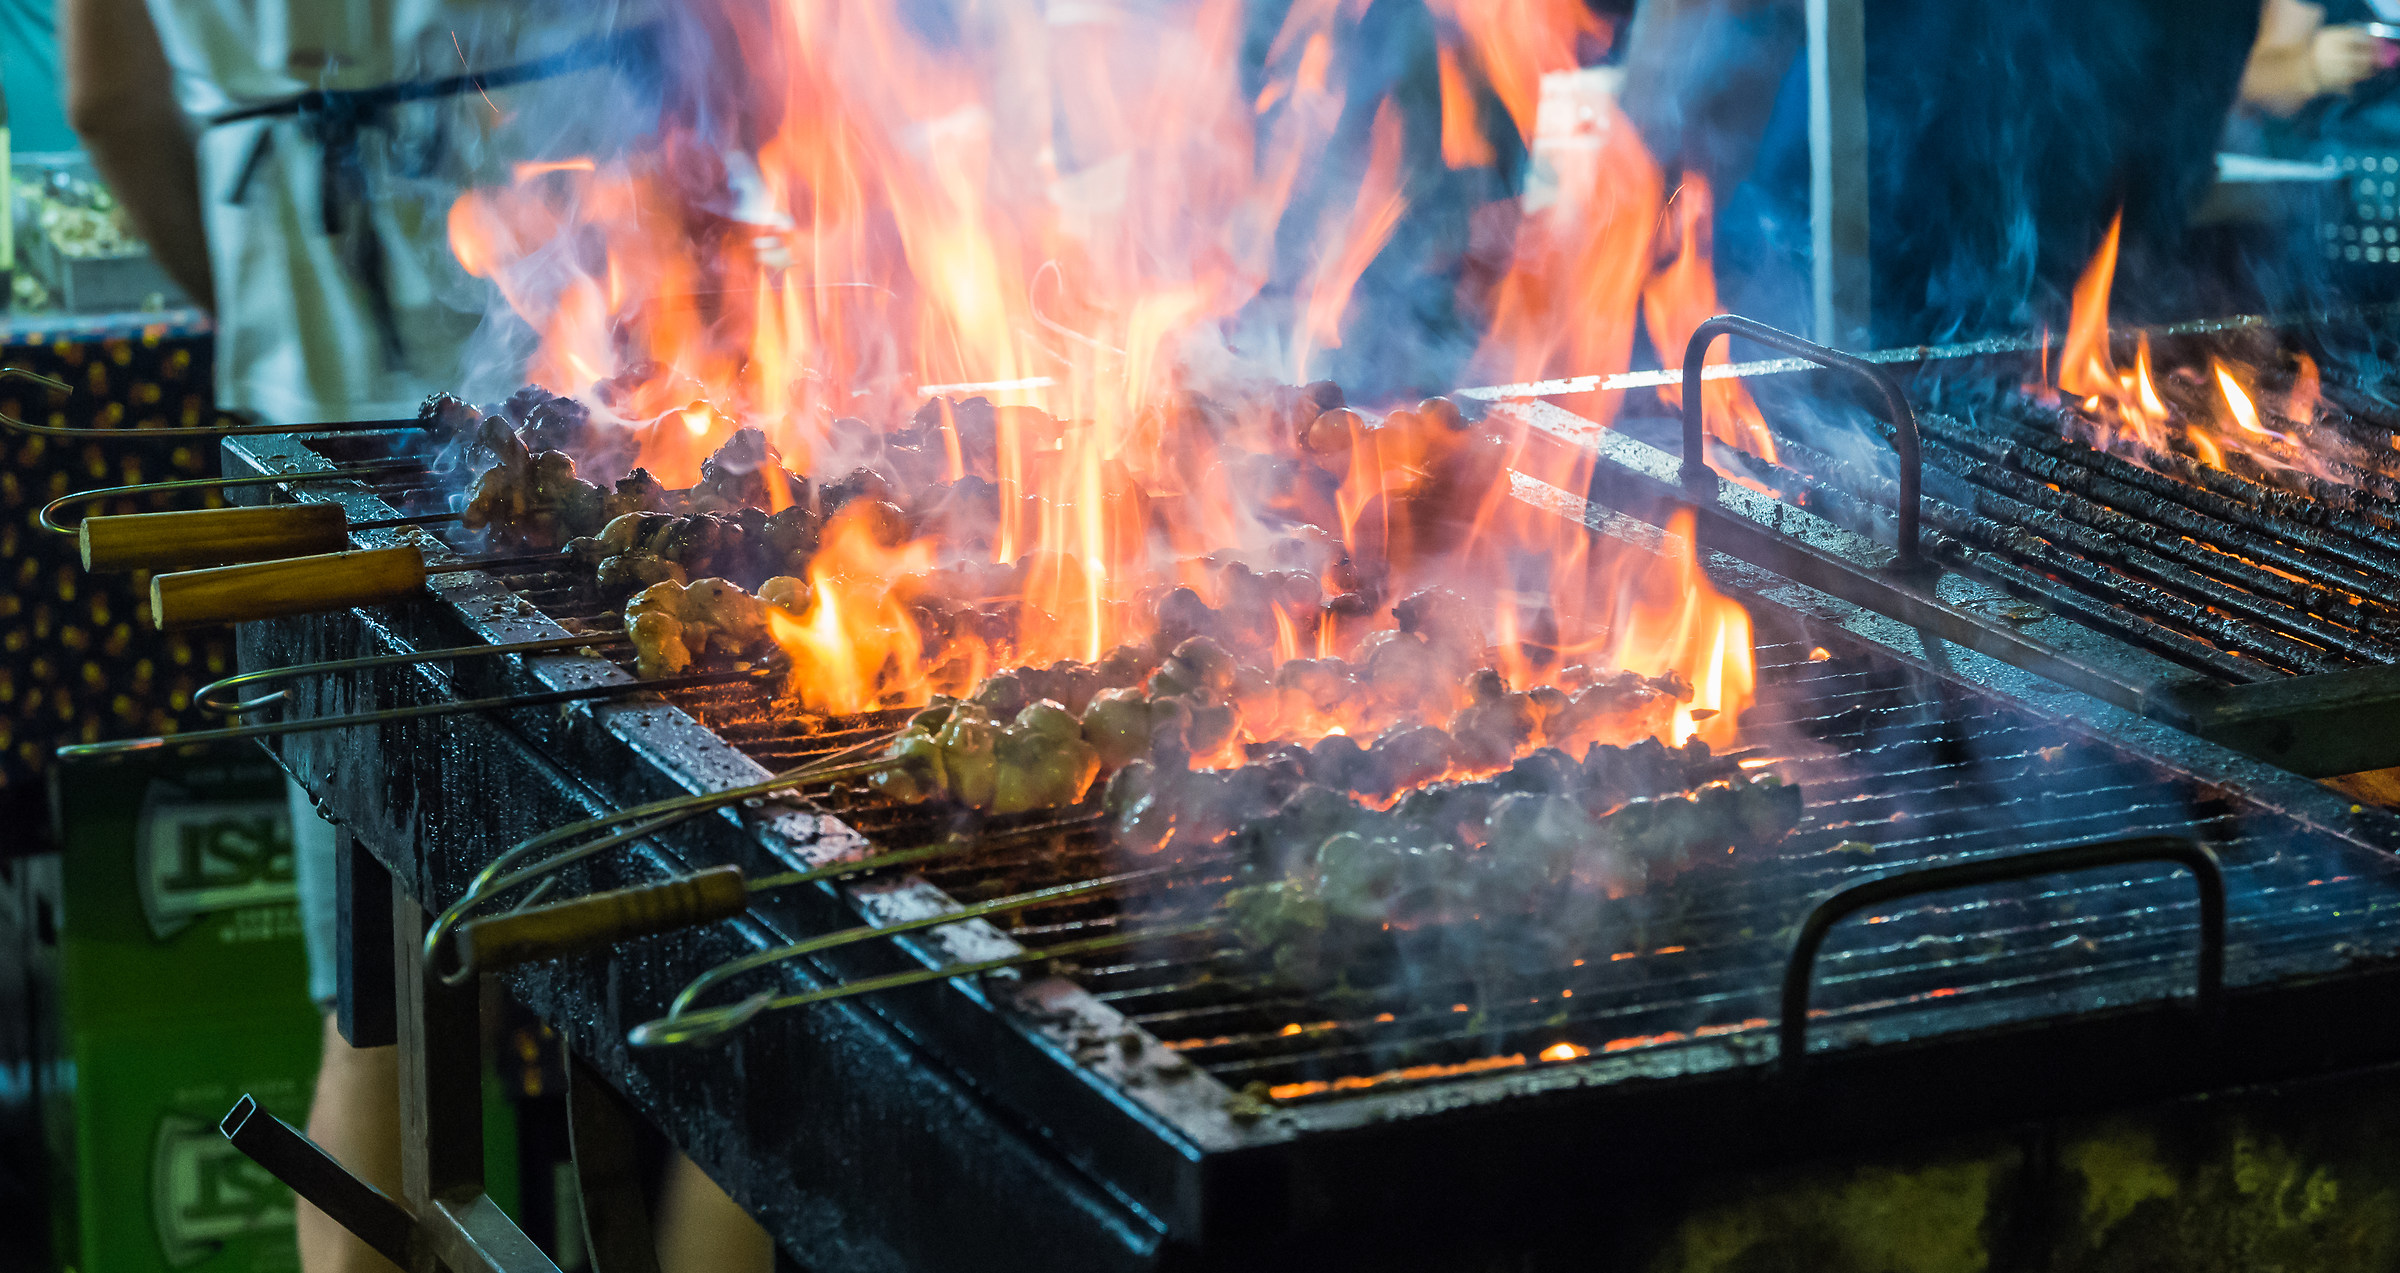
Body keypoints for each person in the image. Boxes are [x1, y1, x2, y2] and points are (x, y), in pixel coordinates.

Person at [60, 2, 772, 1270]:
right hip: (598, 370)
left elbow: (108, 100)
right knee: (733, 974)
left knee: (382, 1001)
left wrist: (268, 295)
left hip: (312, 402)